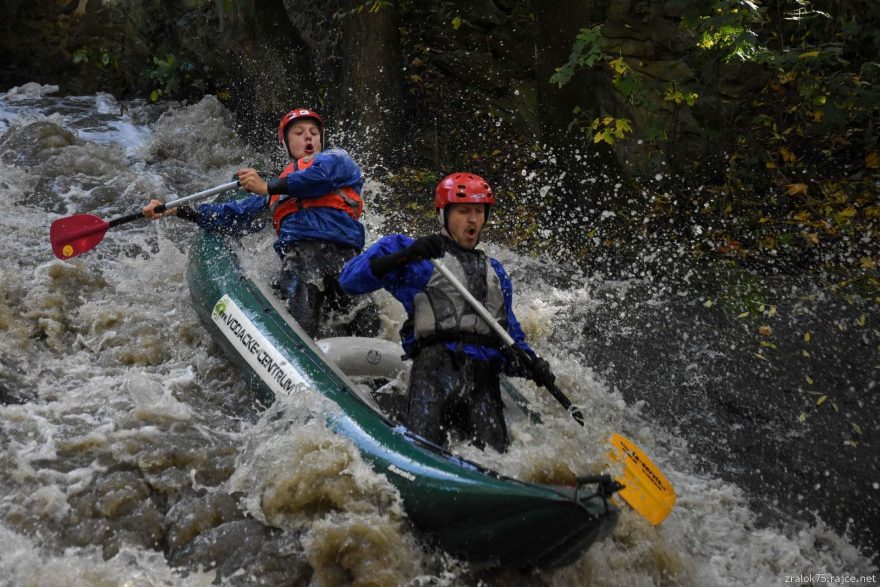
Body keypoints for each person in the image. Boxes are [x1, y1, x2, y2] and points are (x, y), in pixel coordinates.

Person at [338, 172, 555, 452]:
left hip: (483, 383)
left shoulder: (496, 274)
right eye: (464, 211)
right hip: (435, 374)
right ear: (443, 214)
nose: (473, 220)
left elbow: (509, 337)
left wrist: (532, 364)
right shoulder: (415, 254)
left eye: (479, 211)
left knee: (497, 460)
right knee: (422, 450)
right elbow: (350, 281)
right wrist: (404, 257)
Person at [143, 107, 378, 339]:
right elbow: (231, 217)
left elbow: (318, 179)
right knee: (303, 322)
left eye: (314, 132)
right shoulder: (273, 196)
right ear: (286, 143)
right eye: (298, 132)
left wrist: (266, 186)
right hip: (300, 259)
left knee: (366, 324)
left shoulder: (337, 160)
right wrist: (176, 210)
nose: (308, 136)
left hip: (346, 257)